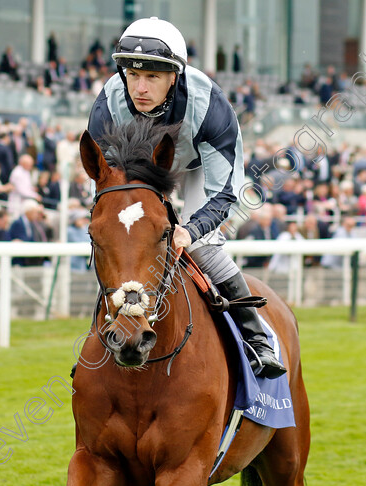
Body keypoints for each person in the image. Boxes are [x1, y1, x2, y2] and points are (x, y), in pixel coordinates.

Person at [87, 17, 284, 378]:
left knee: (202, 247)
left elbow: (225, 193)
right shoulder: (107, 107)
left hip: (196, 166)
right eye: (133, 75)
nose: (140, 88)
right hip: (140, 169)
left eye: (153, 77)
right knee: (122, 240)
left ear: (174, 76)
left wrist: (189, 231)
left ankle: (257, 338)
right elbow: (108, 182)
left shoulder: (211, 107)